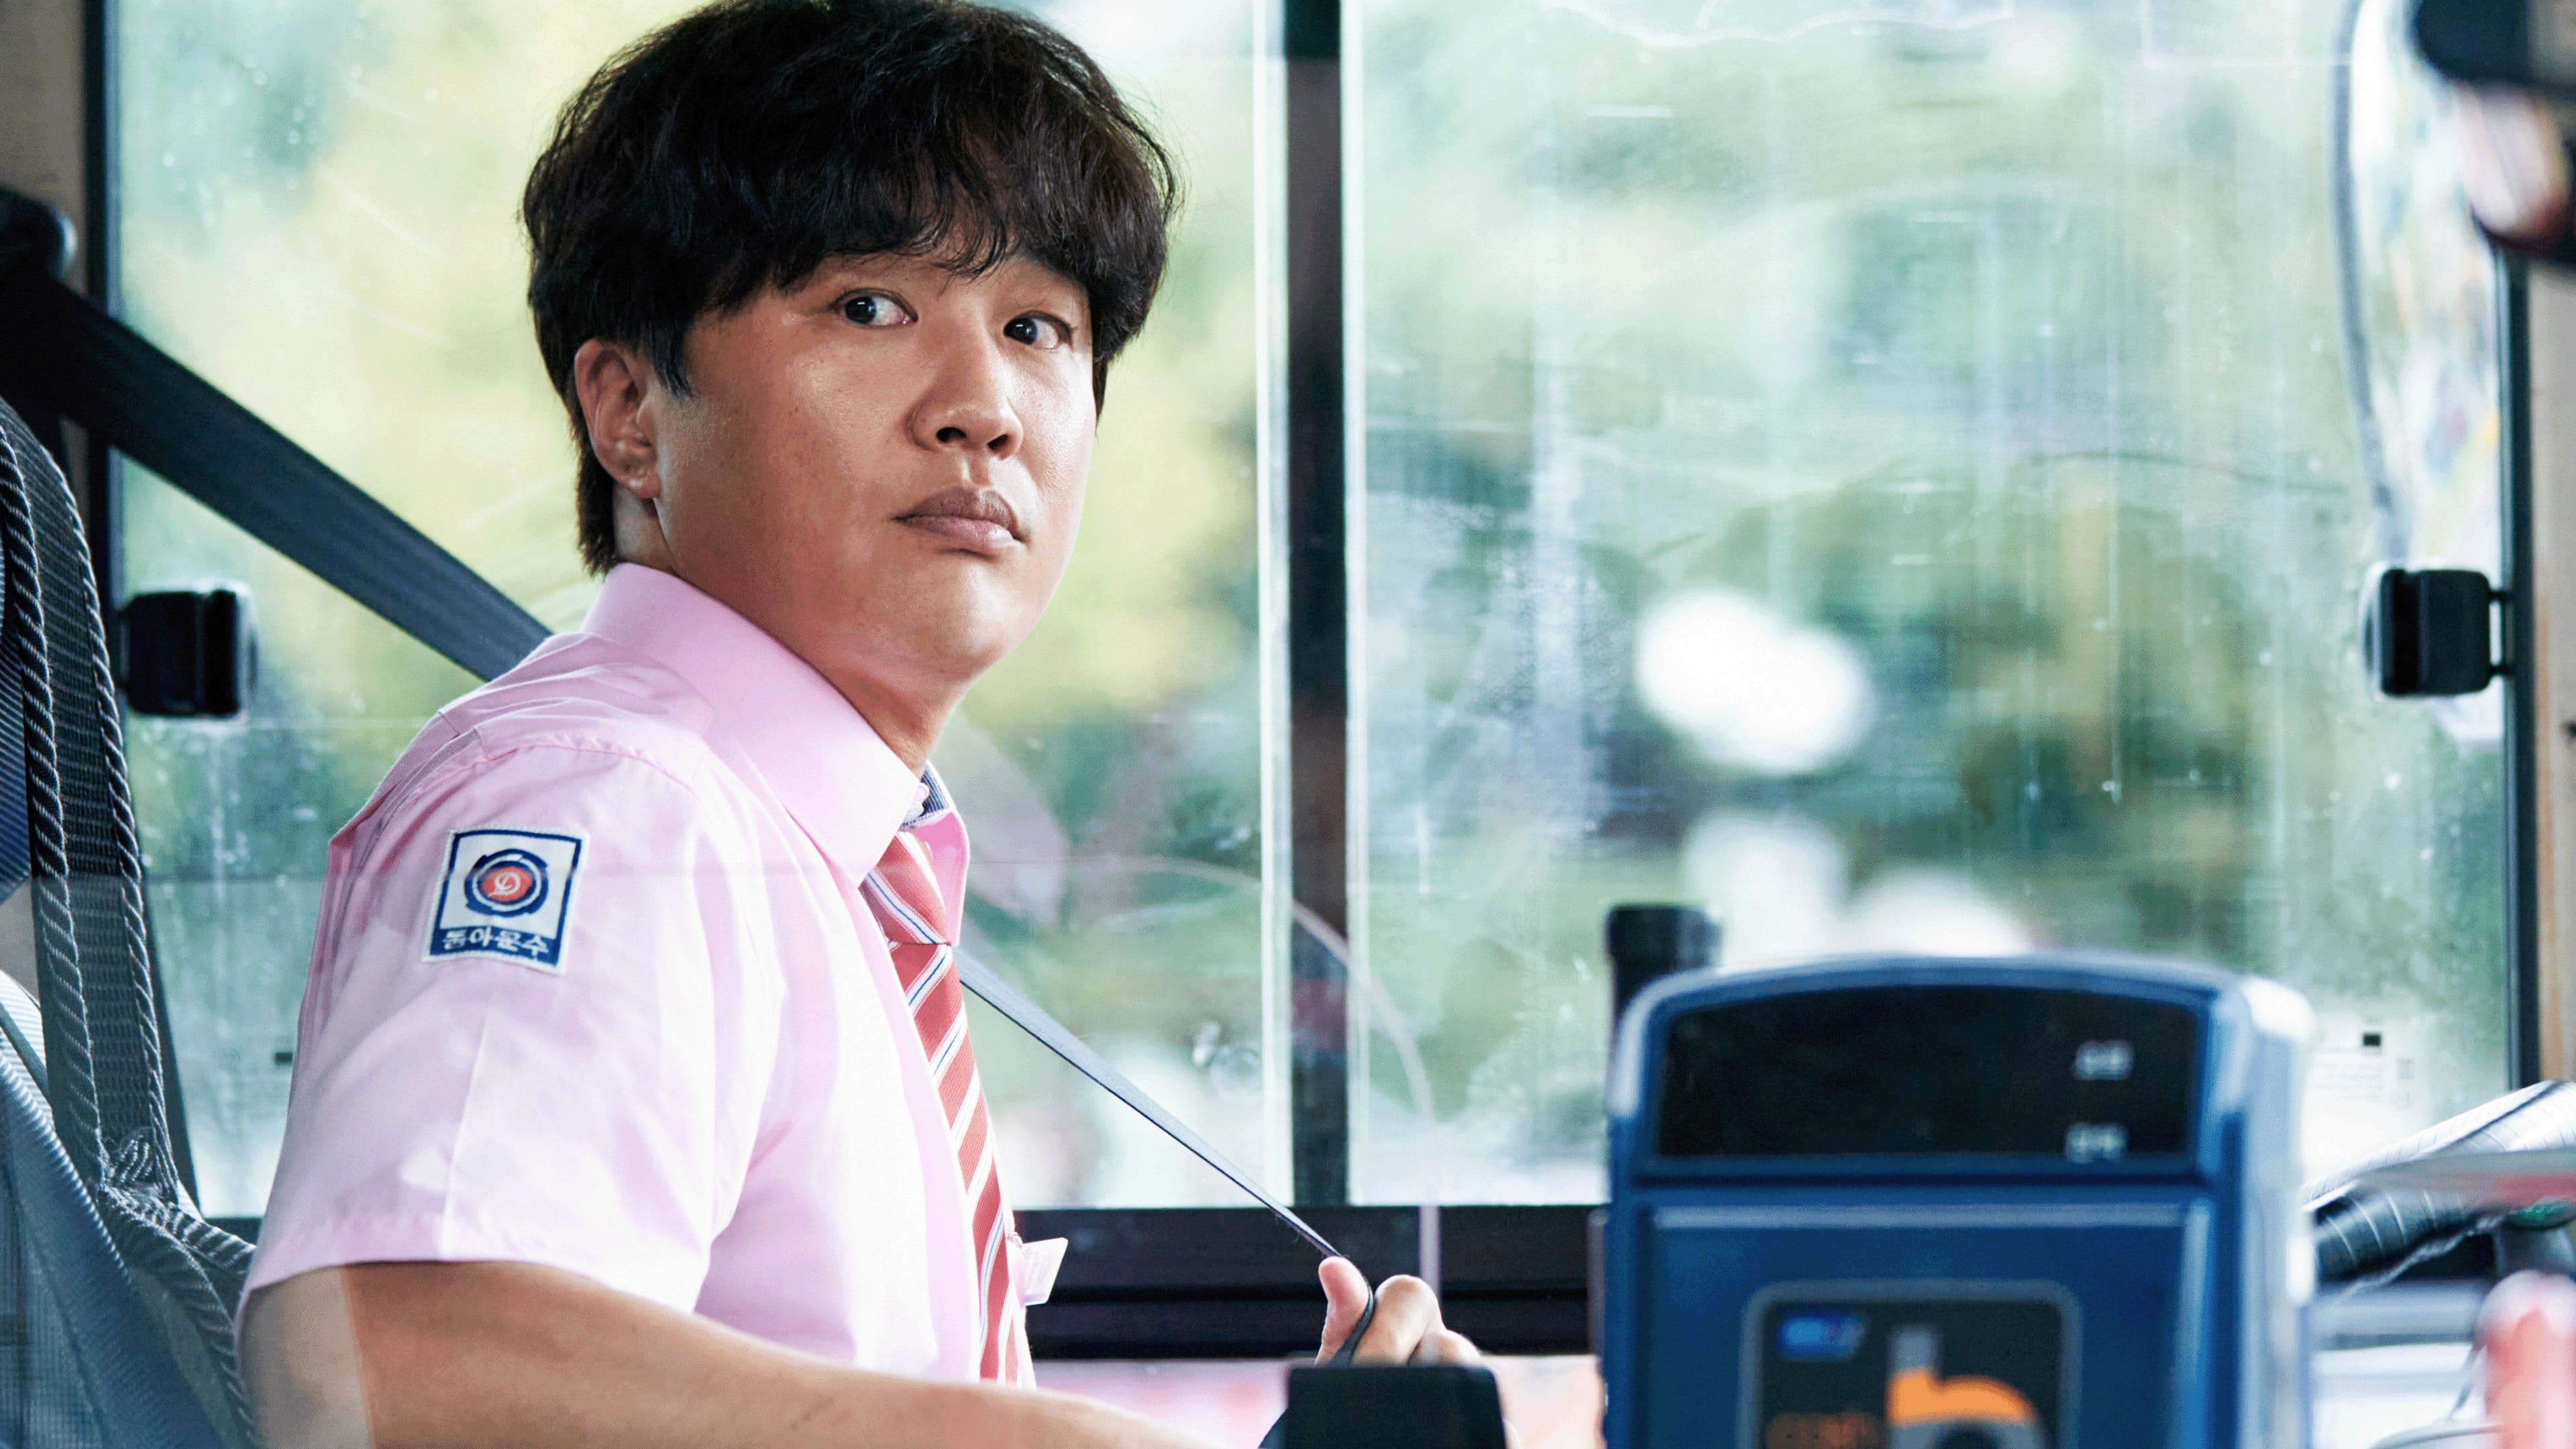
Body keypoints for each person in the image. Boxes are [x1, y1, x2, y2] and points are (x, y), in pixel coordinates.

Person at [234, 2, 1477, 1444]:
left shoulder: (823, 852)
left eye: (1037, 328)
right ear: (629, 411)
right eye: (871, 308)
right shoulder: (610, 802)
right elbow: (392, 1371)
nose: (983, 407)